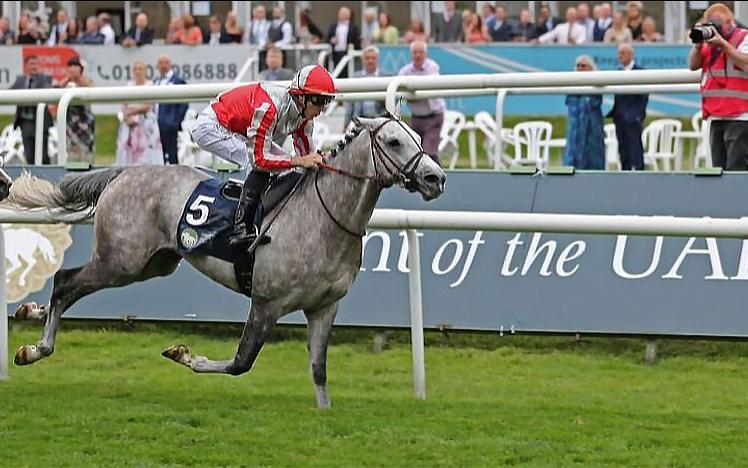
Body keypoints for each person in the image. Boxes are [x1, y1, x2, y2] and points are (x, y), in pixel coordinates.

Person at [191, 64, 334, 246]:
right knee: (259, 165)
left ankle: (263, 211)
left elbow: (307, 157)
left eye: (327, 101)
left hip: (238, 129)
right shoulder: (268, 108)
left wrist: (321, 159)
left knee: (285, 163)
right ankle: (241, 228)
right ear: (302, 97)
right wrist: (298, 161)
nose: (322, 109)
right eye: (319, 101)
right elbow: (259, 160)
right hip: (212, 127)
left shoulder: (304, 117)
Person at [689, 3, 748, 171]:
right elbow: (692, 65)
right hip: (715, 116)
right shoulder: (708, 44)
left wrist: (723, 44)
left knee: (737, 171)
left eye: (717, 24)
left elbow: (746, 62)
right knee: (718, 172)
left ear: (729, 23)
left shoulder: (743, 37)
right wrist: (698, 44)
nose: (714, 29)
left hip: (740, 117)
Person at [398, 41, 444, 163]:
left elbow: (429, 85)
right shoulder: (405, 70)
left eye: (421, 52)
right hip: (416, 117)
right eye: (415, 52)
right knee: (415, 152)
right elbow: (398, 84)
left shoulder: (432, 67)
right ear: (411, 54)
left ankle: (438, 179)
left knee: (429, 153)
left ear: (426, 54)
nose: (418, 55)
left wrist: (412, 91)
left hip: (433, 116)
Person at [609, 43, 648, 170]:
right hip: (619, 117)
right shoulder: (618, 72)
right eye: (618, 53)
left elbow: (643, 96)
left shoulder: (640, 72)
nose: (619, 56)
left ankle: (639, 174)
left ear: (631, 55)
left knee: (635, 147)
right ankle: (625, 174)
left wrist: (638, 115)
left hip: (633, 118)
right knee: (623, 149)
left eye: (622, 53)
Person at [116, 60, 163, 166]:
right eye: (135, 69)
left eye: (140, 69)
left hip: (145, 125)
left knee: (146, 155)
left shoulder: (150, 85)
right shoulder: (128, 86)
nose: (138, 71)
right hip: (129, 125)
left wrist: (132, 111)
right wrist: (127, 117)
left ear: (145, 71)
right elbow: (123, 105)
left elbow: (149, 105)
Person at [9, 55, 53, 164]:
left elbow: (47, 90)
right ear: (26, 66)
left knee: (42, 154)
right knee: (29, 154)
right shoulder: (20, 80)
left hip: (40, 121)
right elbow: (9, 92)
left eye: (36, 64)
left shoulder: (45, 79)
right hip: (25, 123)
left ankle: (47, 177)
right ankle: (32, 178)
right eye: (31, 64)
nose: (34, 67)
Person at [564, 56, 605, 170]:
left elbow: (594, 102)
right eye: (578, 66)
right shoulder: (571, 84)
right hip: (575, 128)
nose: (580, 68)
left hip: (592, 127)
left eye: (583, 66)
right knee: (572, 156)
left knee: (593, 156)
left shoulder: (597, 83)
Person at [154, 55, 188, 165]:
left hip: (169, 124)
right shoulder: (156, 81)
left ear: (170, 64)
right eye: (161, 63)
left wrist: (175, 122)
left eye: (166, 62)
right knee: (159, 153)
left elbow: (183, 103)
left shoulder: (177, 80)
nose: (163, 65)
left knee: (172, 153)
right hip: (155, 124)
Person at [61, 58, 95, 164]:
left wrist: (81, 81)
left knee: (87, 155)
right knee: (72, 154)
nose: (73, 69)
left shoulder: (86, 81)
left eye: (76, 66)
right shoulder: (64, 83)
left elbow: (93, 90)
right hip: (71, 125)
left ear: (81, 69)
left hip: (85, 124)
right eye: (70, 66)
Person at [345, 46, 390, 127]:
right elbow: (350, 104)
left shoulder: (386, 77)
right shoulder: (355, 77)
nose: (370, 61)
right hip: (359, 120)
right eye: (367, 58)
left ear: (378, 59)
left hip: (380, 121)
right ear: (362, 59)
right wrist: (346, 123)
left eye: (373, 58)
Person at [327, 6, 360, 78]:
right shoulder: (333, 26)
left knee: (347, 71)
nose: (342, 15)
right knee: (336, 71)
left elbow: (357, 40)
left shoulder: (353, 27)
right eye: (341, 13)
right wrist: (332, 40)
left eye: (344, 13)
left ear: (349, 15)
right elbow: (328, 37)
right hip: (336, 53)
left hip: (347, 52)